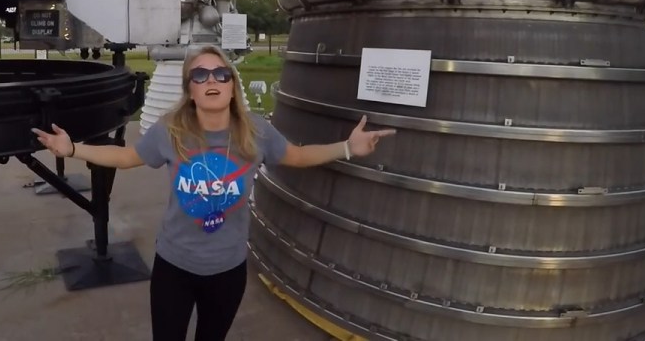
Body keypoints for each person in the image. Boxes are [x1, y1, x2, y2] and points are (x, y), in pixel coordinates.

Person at [32, 44, 395, 341]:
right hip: (174, 265)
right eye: (200, 74)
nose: (212, 80)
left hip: (228, 268)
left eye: (221, 74)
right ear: (190, 89)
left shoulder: (255, 132)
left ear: (232, 85)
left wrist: (347, 148)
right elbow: (128, 156)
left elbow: (297, 155)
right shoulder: (172, 130)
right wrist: (73, 150)